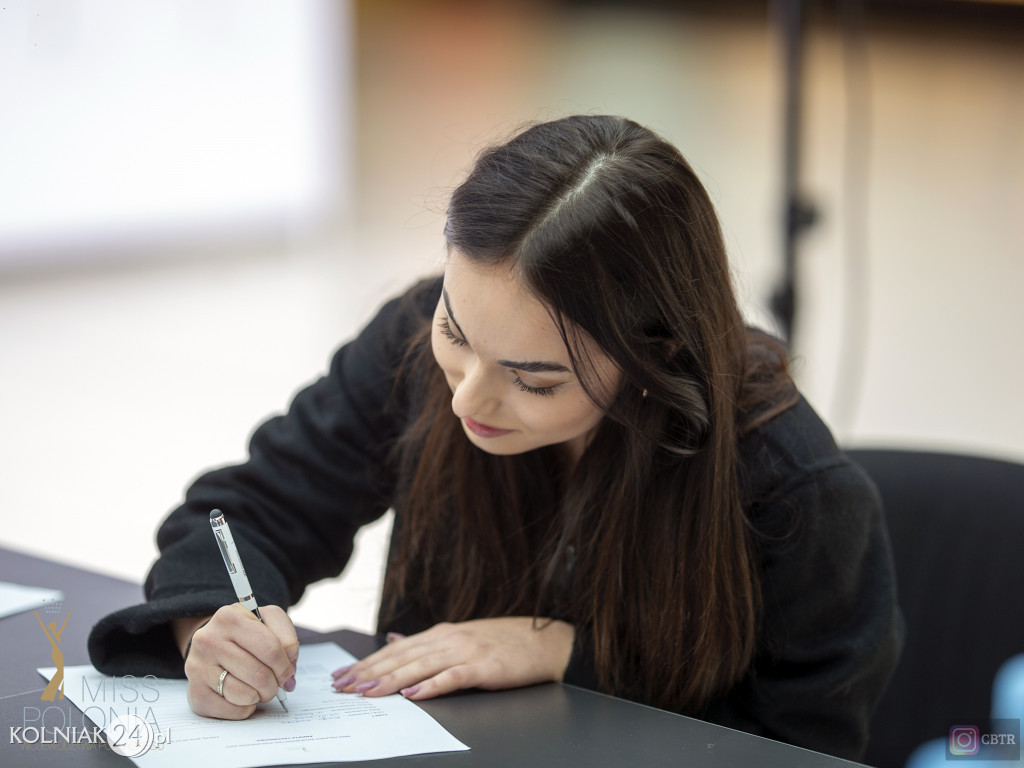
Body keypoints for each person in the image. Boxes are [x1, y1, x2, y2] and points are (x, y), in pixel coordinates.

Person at [89, 115, 903, 761]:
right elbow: (245, 510)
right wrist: (214, 629)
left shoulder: (788, 484)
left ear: (655, 355)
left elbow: (804, 748)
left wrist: (571, 657)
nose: (469, 395)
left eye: (536, 379)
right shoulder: (414, 340)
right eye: (457, 328)